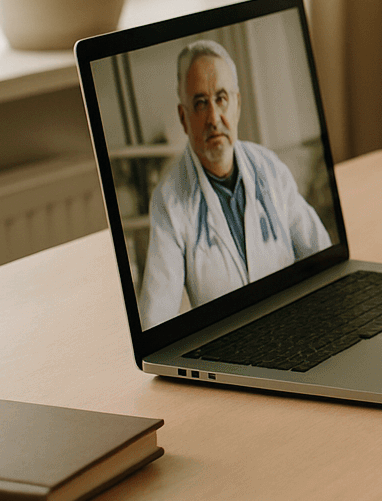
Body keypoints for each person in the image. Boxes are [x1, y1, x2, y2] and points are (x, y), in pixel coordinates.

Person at [139, 39, 331, 328]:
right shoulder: (169, 200)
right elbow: (156, 317)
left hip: (294, 325)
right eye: (201, 103)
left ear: (237, 105)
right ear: (184, 117)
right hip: (228, 341)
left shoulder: (270, 168)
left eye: (221, 99)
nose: (214, 118)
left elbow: (321, 256)